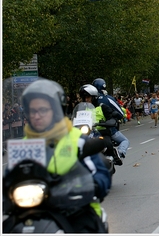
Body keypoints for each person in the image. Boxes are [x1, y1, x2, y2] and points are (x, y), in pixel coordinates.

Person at [16, 78, 111, 232]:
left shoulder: (76, 140)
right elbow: (11, 177)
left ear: (56, 110)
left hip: (74, 210)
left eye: (43, 110)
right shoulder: (24, 144)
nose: (37, 116)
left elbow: (100, 173)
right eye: (33, 111)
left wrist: (93, 185)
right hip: (33, 211)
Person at [78, 84, 123, 166]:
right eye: (85, 98)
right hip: (87, 132)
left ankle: (113, 155)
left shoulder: (102, 107)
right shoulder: (82, 109)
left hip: (101, 131)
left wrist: (110, 121)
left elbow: (111, 117)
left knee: (107, 142)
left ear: (94, 97)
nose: (86, 99)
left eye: (88, 97)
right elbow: (76, 119)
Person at [92, 78, 130, 159]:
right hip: (107, 128)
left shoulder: (89, 101)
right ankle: (119, 153)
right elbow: (120, 113)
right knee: (125, 141)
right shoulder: (107, 98)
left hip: (91, 129)